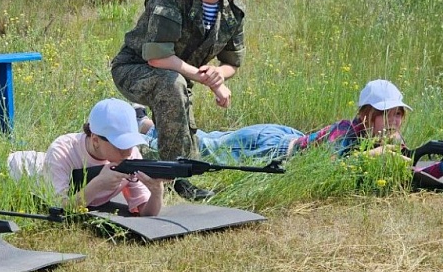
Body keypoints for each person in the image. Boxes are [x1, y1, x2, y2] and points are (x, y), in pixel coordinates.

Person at [111, 0, 254, 168]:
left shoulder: (233, 12)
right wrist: (210, 81)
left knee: (176, 89)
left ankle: (150, 141)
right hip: (133, 69)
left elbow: (232, 63)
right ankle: (174, 173)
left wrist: (219, 74)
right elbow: (157, 57)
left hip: (176, 76)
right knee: (173, 84)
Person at [138, 79, 413, 164]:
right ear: (367, 115)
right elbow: (329, 165)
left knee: (214, 140)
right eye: (386, 115)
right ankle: (145, 130)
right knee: (209, 149)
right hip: (271, 146)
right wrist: (374, 155)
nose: (394, 121)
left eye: (398, 114)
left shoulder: (384, 137)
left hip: (286, 137)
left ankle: (148, 126)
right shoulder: (345, 130)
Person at [6, 98, 207, 211]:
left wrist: (156, 192)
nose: (128, 152)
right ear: (95, 139)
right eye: (120, 146)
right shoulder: (62, 151)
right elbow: (58, 208)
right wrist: (97, 185)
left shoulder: (130, 156)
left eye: (130, 144)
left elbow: (145, 213)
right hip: (16, 172)